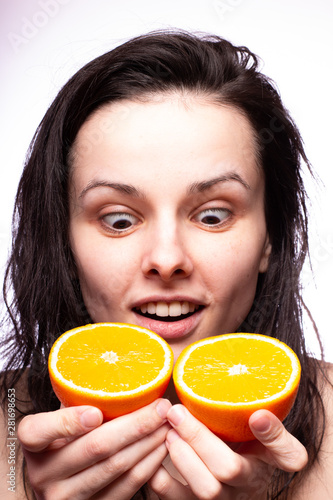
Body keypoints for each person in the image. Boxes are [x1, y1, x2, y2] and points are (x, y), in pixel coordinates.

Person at [0, 30, 332, 500]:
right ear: (64, 244)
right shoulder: (8, 427)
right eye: (118, 220)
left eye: (213, 215)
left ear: (269, 239)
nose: (167, 259)